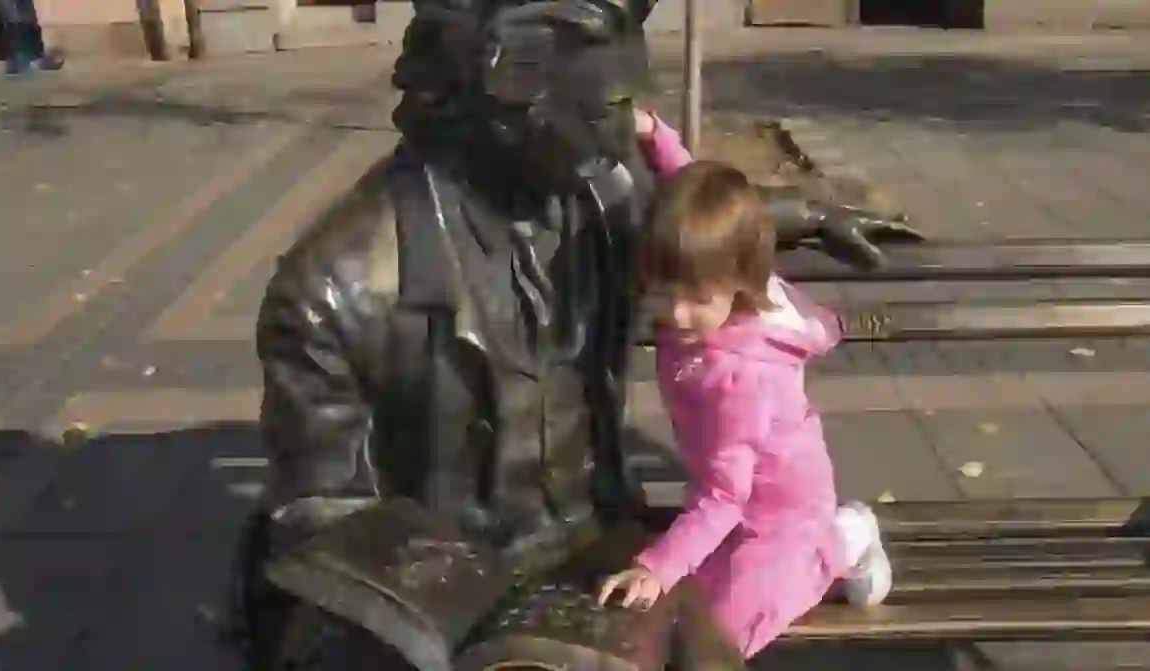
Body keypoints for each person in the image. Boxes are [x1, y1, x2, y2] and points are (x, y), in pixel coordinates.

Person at [237, 0, 918, 667]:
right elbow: (320, 520)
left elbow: (691, 222)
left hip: (602, 544)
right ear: (505, 109)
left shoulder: (595, 193)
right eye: (601, 112)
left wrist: (806, 213)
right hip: (455, 588)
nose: (626, 137)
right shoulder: (337, 288)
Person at [597, 118, 894, 660]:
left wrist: (656, 565)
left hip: (783, 517)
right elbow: (692, 185)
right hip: (735, 503)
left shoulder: (742, 379)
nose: (677, 314)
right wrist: (652, 132)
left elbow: (722, 496)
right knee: (684, 610)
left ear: (740, 283)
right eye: (665, 295)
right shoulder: (713, 271)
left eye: (695, 298)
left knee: (730, 631)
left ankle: (845, 538)